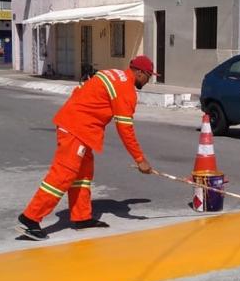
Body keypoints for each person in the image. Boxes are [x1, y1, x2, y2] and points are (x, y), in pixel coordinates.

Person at [17, 55, 157, 240]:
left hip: (80, 128)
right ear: (140, 73)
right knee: (64, 174)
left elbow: (81, 89)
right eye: (149, 76)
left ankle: (82, 217)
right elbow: (125, 129)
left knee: (82, 174)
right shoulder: (126, 90)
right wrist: (140, 159)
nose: (149, 80)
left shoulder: (112, 74)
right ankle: (30, 218)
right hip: (76, 130)